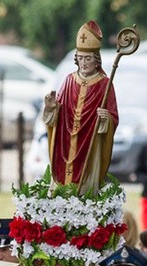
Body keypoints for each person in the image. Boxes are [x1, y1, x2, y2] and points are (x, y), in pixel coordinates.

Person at [43, 20, 118, 193]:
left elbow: (113, 117)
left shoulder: (104, 85)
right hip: (66, 142)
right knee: (63, 187)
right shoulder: (69, 80)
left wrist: (106, 118)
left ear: (96, 60)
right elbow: (57, 113)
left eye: (88, 58)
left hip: (89, 145)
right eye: (81, 58)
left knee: (85, 186)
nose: (84, 63)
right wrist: (51, 108)